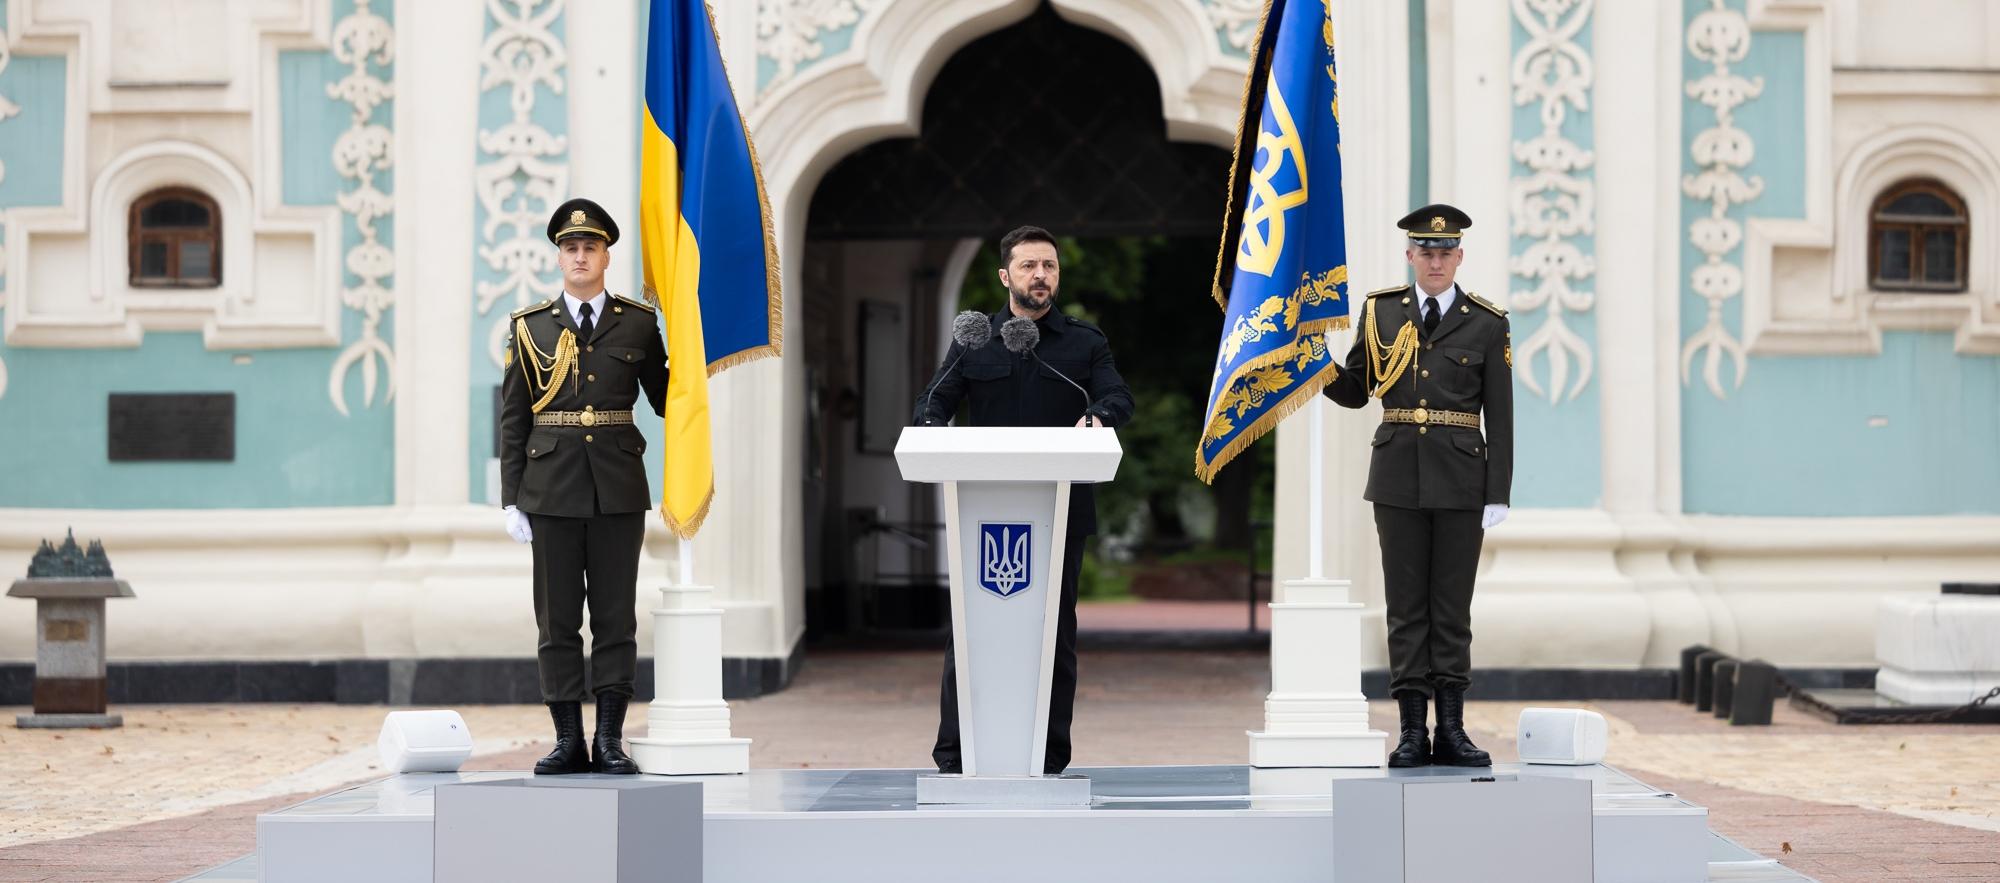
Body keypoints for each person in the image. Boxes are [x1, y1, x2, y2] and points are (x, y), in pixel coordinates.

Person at [911, 224, 1134, 775]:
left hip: (1060, 513)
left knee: (1055, 635)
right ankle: (956, 753)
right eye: (1030, 266)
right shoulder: (973, 338)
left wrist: (1097, 415)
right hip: (982, 515)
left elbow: (1117, 397)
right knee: (970, 633)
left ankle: (1049, 755)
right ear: (1005, 276)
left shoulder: (1084, 342)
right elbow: (932, 403)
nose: (1041, 275)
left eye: (1050, 266)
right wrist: (931, 424)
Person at [1322, 203, 1514, 768]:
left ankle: (1451, 728)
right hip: (1398, 474)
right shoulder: (1380, 312)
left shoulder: (1487, 321)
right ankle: (1411, 730)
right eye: (1426, 251)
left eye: (1445, 251)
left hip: (1462, 479)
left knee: (1451, 609)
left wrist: (1497, 490)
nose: (1436, 260)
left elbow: (1500, 416)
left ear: (1459, 257)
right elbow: (1358, 389)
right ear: (1410, 256)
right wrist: (1315, 364)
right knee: (1405, 608)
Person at [498, 198, 668, 775]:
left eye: (590, 247)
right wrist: (510, 497)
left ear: (605, 256)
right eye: (570, 248)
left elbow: (668, 401)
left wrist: (693, 348)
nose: (579, 256)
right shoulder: (530, 328)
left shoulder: (640, 323)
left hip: (618, 489)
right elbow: (514, 419)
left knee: (616, 618)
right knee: (558, 620)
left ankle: (610, 740)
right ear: (560, 256)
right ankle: (569, 739)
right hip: (550, 490)